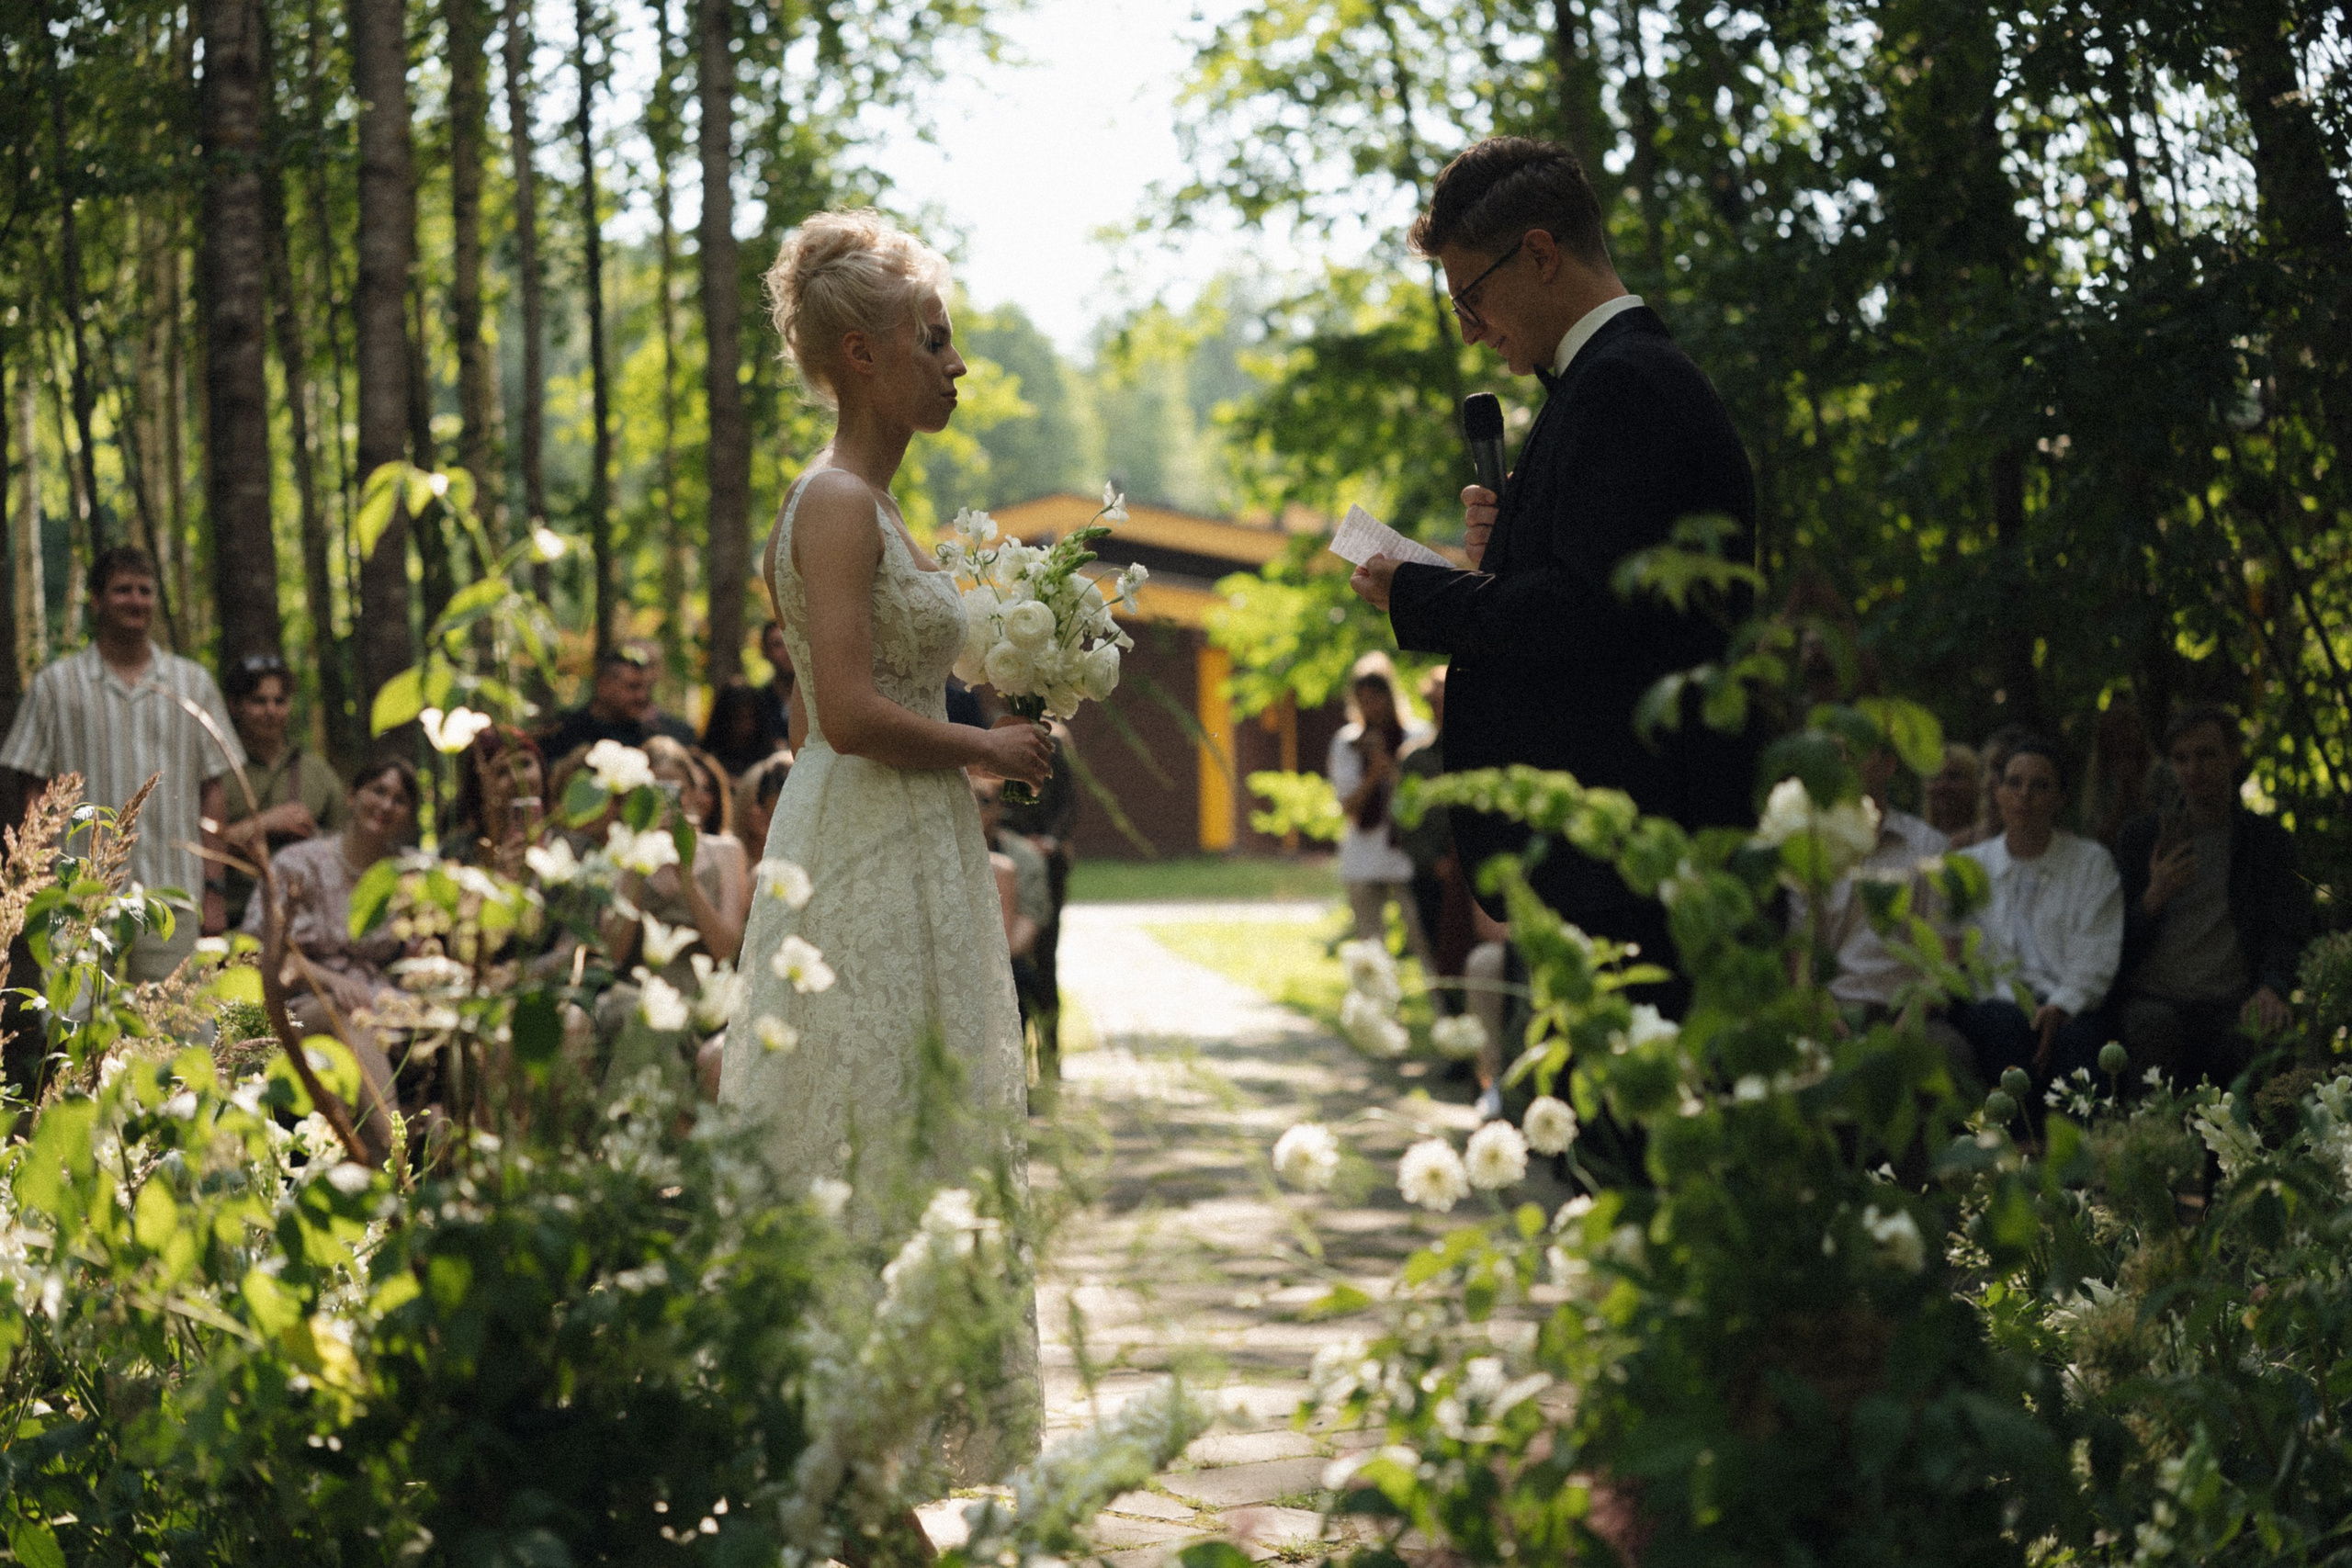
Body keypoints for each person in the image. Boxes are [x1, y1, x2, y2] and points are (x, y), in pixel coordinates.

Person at [716, 209, 1050, 1485]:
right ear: (862, 355)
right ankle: (835, 1461)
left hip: (911, 842)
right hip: (862, 838)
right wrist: (987, 750)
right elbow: (846, 716)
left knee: (918, 1122)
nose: (955, 364)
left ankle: (867, 1468)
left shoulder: (883, 508)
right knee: (856, 1123)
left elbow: (864, 701)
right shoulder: (835, 503)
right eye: (934, 339)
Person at [1348, 137, 1758, 985]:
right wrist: (1500, 558)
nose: (1470, 332)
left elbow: (1583, 616)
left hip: (1635, 864)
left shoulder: (1622, 387)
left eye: (1470, 299)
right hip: (1612, 859)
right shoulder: (1605, 382)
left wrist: (1418, 594)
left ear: (1538, 254)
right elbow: (1595, 587)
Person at [1, 547, 242, 981]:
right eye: (123, 590)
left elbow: (213, 792)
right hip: (77, 899)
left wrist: (214, 890)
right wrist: (38, 880)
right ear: (96, 600)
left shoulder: (192, 684)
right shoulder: (56, 685)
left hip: (172, 898)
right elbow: (35, 792)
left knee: (169, 1021)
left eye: (145, 591)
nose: (136, 601)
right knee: (73, 1019)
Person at [2112, 706, 2311, 1089]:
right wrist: (2153, 898)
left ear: (2233, 757)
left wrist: (2272, 987)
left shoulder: (2265, 842)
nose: (2193, 769)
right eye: (2181, 759)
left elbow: (2288, 930)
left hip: (2233, 1001)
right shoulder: (2141, 839)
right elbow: (2109, 945)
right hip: (2155, 998)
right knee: (2152, 1029)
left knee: (2269, 1037)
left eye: (2205, 755)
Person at [240, 757, 422, 1166]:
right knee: (346, 1014)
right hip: (297, 1005)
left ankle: (370, 1181)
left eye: (399, 800)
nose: (386, 805)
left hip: (380, 1009)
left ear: (408, 816)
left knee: (357, 1051)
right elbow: (256, 952)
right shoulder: (298, 863)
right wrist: (329, 980)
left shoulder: (405, 875)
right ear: (352, 795)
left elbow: (418, 951)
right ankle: (396, 1155)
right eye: (378, 791)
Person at [1951, 739, 2122, 1091]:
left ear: (2060, 799)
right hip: (1993, 1004)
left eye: (2040, 786)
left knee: (2079, 1044)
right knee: (2004, 1026)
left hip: (2069, 1003)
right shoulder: (1969, 866)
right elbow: (1960, 956)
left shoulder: (2091, 863)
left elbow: (2097, 952)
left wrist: (2060, 1006)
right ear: (1998, 792)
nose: (2024, 795)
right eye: (2014, 783)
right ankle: (2016, 1127)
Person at [1805, 741, 1972, 1074]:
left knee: (1952, 1055)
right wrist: (1833, 1023)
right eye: (1839, 753)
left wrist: (1898, 1033)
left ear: (1889, 765)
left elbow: (1946, 959)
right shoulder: (1811, 846)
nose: (1847, 762)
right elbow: (1799, 959)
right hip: (1830, 1009)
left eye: (1857, 750)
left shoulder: (1930, 847)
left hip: (1906, 1011)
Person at [599, 738, 751, 1100]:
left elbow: (728, 952)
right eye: (654, 792)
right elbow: (614, 952)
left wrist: (686, 872)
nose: (667, 802)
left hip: (703, 998)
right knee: (646, 1019)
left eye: (675, 791)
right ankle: (673, 1122)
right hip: (636, 992)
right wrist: (640, 860)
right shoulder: (619, 854)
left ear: (694, 795)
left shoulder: (725, 852)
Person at [216, 652, 350, 930]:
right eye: (258, 701)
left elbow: (345, 848)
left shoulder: (317, 772)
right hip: (232, 917)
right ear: (234, 705)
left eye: (280, 701)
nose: (271, 711)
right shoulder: (216, 770)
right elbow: (196, 848)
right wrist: (265, 824)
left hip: (303, 923)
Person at [1329, 654, 1434, 970]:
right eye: (1362, 699)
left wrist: (1390, 769)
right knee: (1370, 949)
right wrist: (1372, 776)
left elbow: (1422, 797)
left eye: (1375, 698)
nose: (1369, 706)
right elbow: (1347, 806)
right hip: (1364, 853)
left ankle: (1439, 996)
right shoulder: (1347, 742)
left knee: (1422, 936)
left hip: (1406, 853)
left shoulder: (1417, 736)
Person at [996, 718, 1080, 1076]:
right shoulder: (997, 731)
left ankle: (1050, 1059)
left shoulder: (1055, 742)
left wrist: (1048, 841)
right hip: (1006, 851)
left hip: (1046, 863)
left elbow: (1069, 804)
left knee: (1046, 962)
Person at [972, 773, 1053, 1041]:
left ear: (1000, 808)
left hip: (1003, 961)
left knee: (1019, 979)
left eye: (983, 801)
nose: (974, 809)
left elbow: (1022, 935)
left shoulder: (1022, 860)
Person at [537, 644, 693, 761]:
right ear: (603, 685)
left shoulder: (652, 736)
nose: (642, 696)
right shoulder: (565, 734)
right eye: (632, 687)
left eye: (646, 688)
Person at [443, 725, 547, 874]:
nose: (517, 779)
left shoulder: (571, 842)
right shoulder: (458, 852)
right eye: (502, 772)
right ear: (481, 787)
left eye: (524, 764)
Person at [700, 677, 783, 778]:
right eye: (738, 718)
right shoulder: (706, 760)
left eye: (750, 717)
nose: (745, 725)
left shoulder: (772, 760)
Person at [1922, 742, 1982, 839]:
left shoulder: (1988, 840)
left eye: (1954, 777)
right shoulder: (1916, 838)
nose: (1942, 785)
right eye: (1935, 777)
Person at [753, 619, 796, 743]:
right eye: (778, 644)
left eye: (791, 642)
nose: (787, 650)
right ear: (765, 652)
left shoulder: (819, 699)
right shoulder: (758, 704)